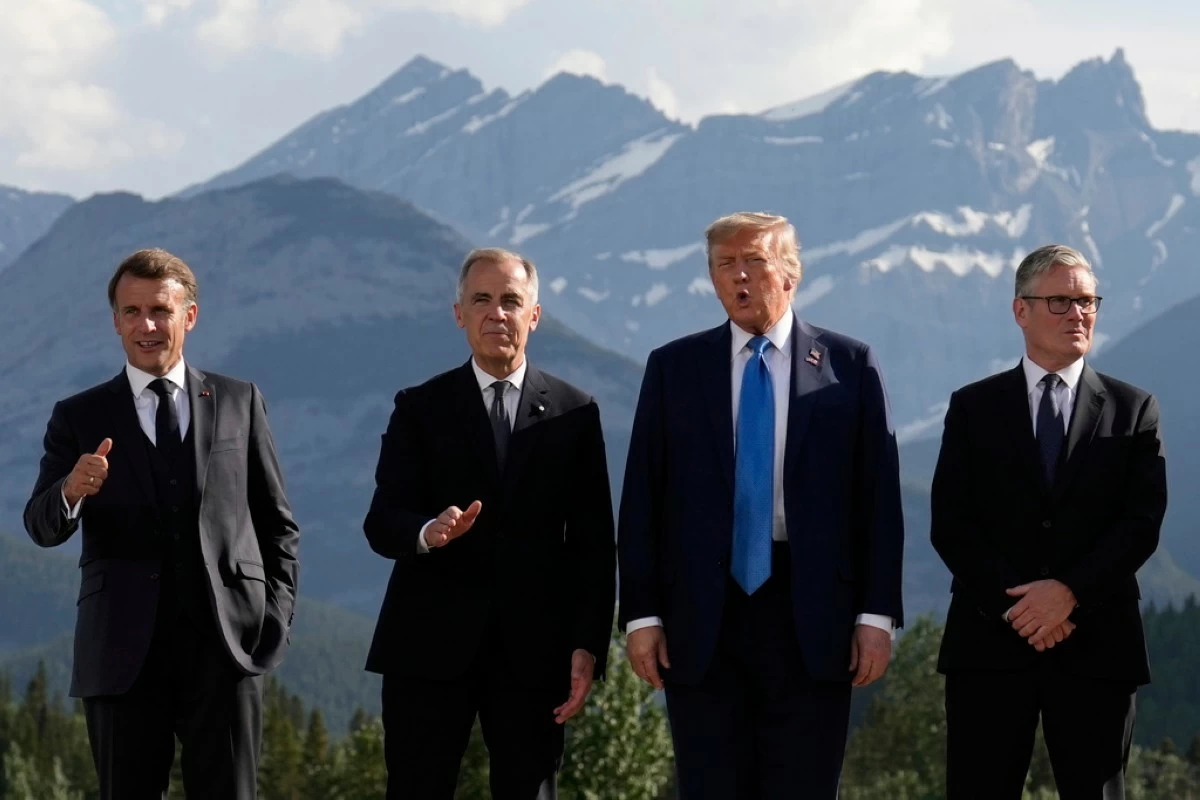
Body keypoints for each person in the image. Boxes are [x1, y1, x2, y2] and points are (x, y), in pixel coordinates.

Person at [617, 212, 904, 798]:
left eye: (754, 261)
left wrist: (876, 616)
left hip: (813, 615)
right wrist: (642, 616)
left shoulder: (851, 365)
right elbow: (643, 497)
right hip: (703, 617)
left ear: (791, 273)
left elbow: (879, 501)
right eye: (726, 264)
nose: (739, 276)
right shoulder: (673, 368)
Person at [24, 248, 300, 799]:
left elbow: (277, 524)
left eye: (160, 311)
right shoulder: (78, 415)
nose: (146, 326)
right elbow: (41, 524)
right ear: (116, 321)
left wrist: (274, 619)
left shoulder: (239, 400)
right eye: (132, 312)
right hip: (119, 653)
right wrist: (70, 491)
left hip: (227, 648)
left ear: (188, 316)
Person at [363, 247, 616, 799]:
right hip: (428, 647)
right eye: (482, 300)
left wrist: (587, 645)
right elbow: (382, 520)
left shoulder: (576, 413)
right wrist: (427, 532)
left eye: (510, 301)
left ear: (534, 315)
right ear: (460, 314)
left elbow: (594, 542)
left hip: (535, 653)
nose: (496, 313)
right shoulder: (419, 407)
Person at [931, 244, 1167, 798]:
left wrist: (1069, 594)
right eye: (1060, 301)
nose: (1078, 314)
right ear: (1021, 310)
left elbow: (1141, 522)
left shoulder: (1134, 409)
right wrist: (1022, 607)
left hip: (1097, 644)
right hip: (990, 643)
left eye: (1087, 301)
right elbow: (952, 524)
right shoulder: (973, 407)